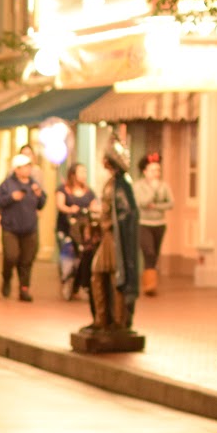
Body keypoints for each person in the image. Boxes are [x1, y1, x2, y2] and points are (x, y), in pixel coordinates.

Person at [88, 141, 141, 332]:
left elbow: (126, 212)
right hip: (107, 235)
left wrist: (108, 222)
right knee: (99, 274)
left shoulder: (122, 183)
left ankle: (118, 320)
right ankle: (102, 318)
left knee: (114, 275)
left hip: (114, 237)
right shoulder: (112, 182)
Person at [0, 153, 45, 301]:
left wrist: (40, 195)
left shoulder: (34, 184)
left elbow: (42, 204)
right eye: (24, 167)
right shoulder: (7, 184)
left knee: (27, 260)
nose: (28, 170)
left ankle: (24, 288)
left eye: (29, 166)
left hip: (30, 227)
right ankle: (7, 277)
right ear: (17, 169)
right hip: (11, 227)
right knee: (11, 255)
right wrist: (11, 197)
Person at [54, 162, 95, 302]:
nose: (84, 175)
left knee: (81, 259)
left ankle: (76, 287)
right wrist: (70, 209)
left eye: (85, 172)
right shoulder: (63, 189)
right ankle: (67, 283)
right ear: (73, 174)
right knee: (68, 259)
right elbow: (59, 205)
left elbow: (94, 206)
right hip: (66, 230)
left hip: (83, 231)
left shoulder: (89, 192)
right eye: (81, 172)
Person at [134, 153, 173, 296]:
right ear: (145, 172)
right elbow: (141, 203)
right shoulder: (138, 186)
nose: (156, 173)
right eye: (152, 170)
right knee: (148, 252)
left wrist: (155, 206)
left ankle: (151, 282)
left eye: (158, 170)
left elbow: (170, 203)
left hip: (159, 224)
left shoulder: (165, 186)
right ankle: (149, 285)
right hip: (144, 223)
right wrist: (153, 191)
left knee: (154, 254)